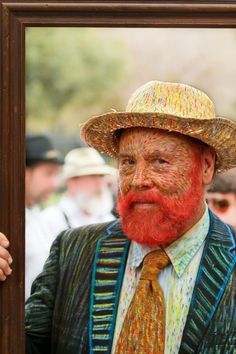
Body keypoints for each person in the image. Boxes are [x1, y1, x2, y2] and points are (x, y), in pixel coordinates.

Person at [1, 81, 236, 353]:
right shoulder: (74, 250)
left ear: (206, 167)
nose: (138, 180)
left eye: (160, 161)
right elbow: (20, 344)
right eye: (128, 162)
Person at [41, 147, 117, 238]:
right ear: (72, 183)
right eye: (92, 176)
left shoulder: (106, 218)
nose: (99, 182)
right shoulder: (52, 219)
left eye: (101, 176)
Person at [25, 134, 63, 299]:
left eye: (56, 174)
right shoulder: (8, 220)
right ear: (25, 173)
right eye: (48, 174)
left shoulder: (37, 215)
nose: (54, 183)